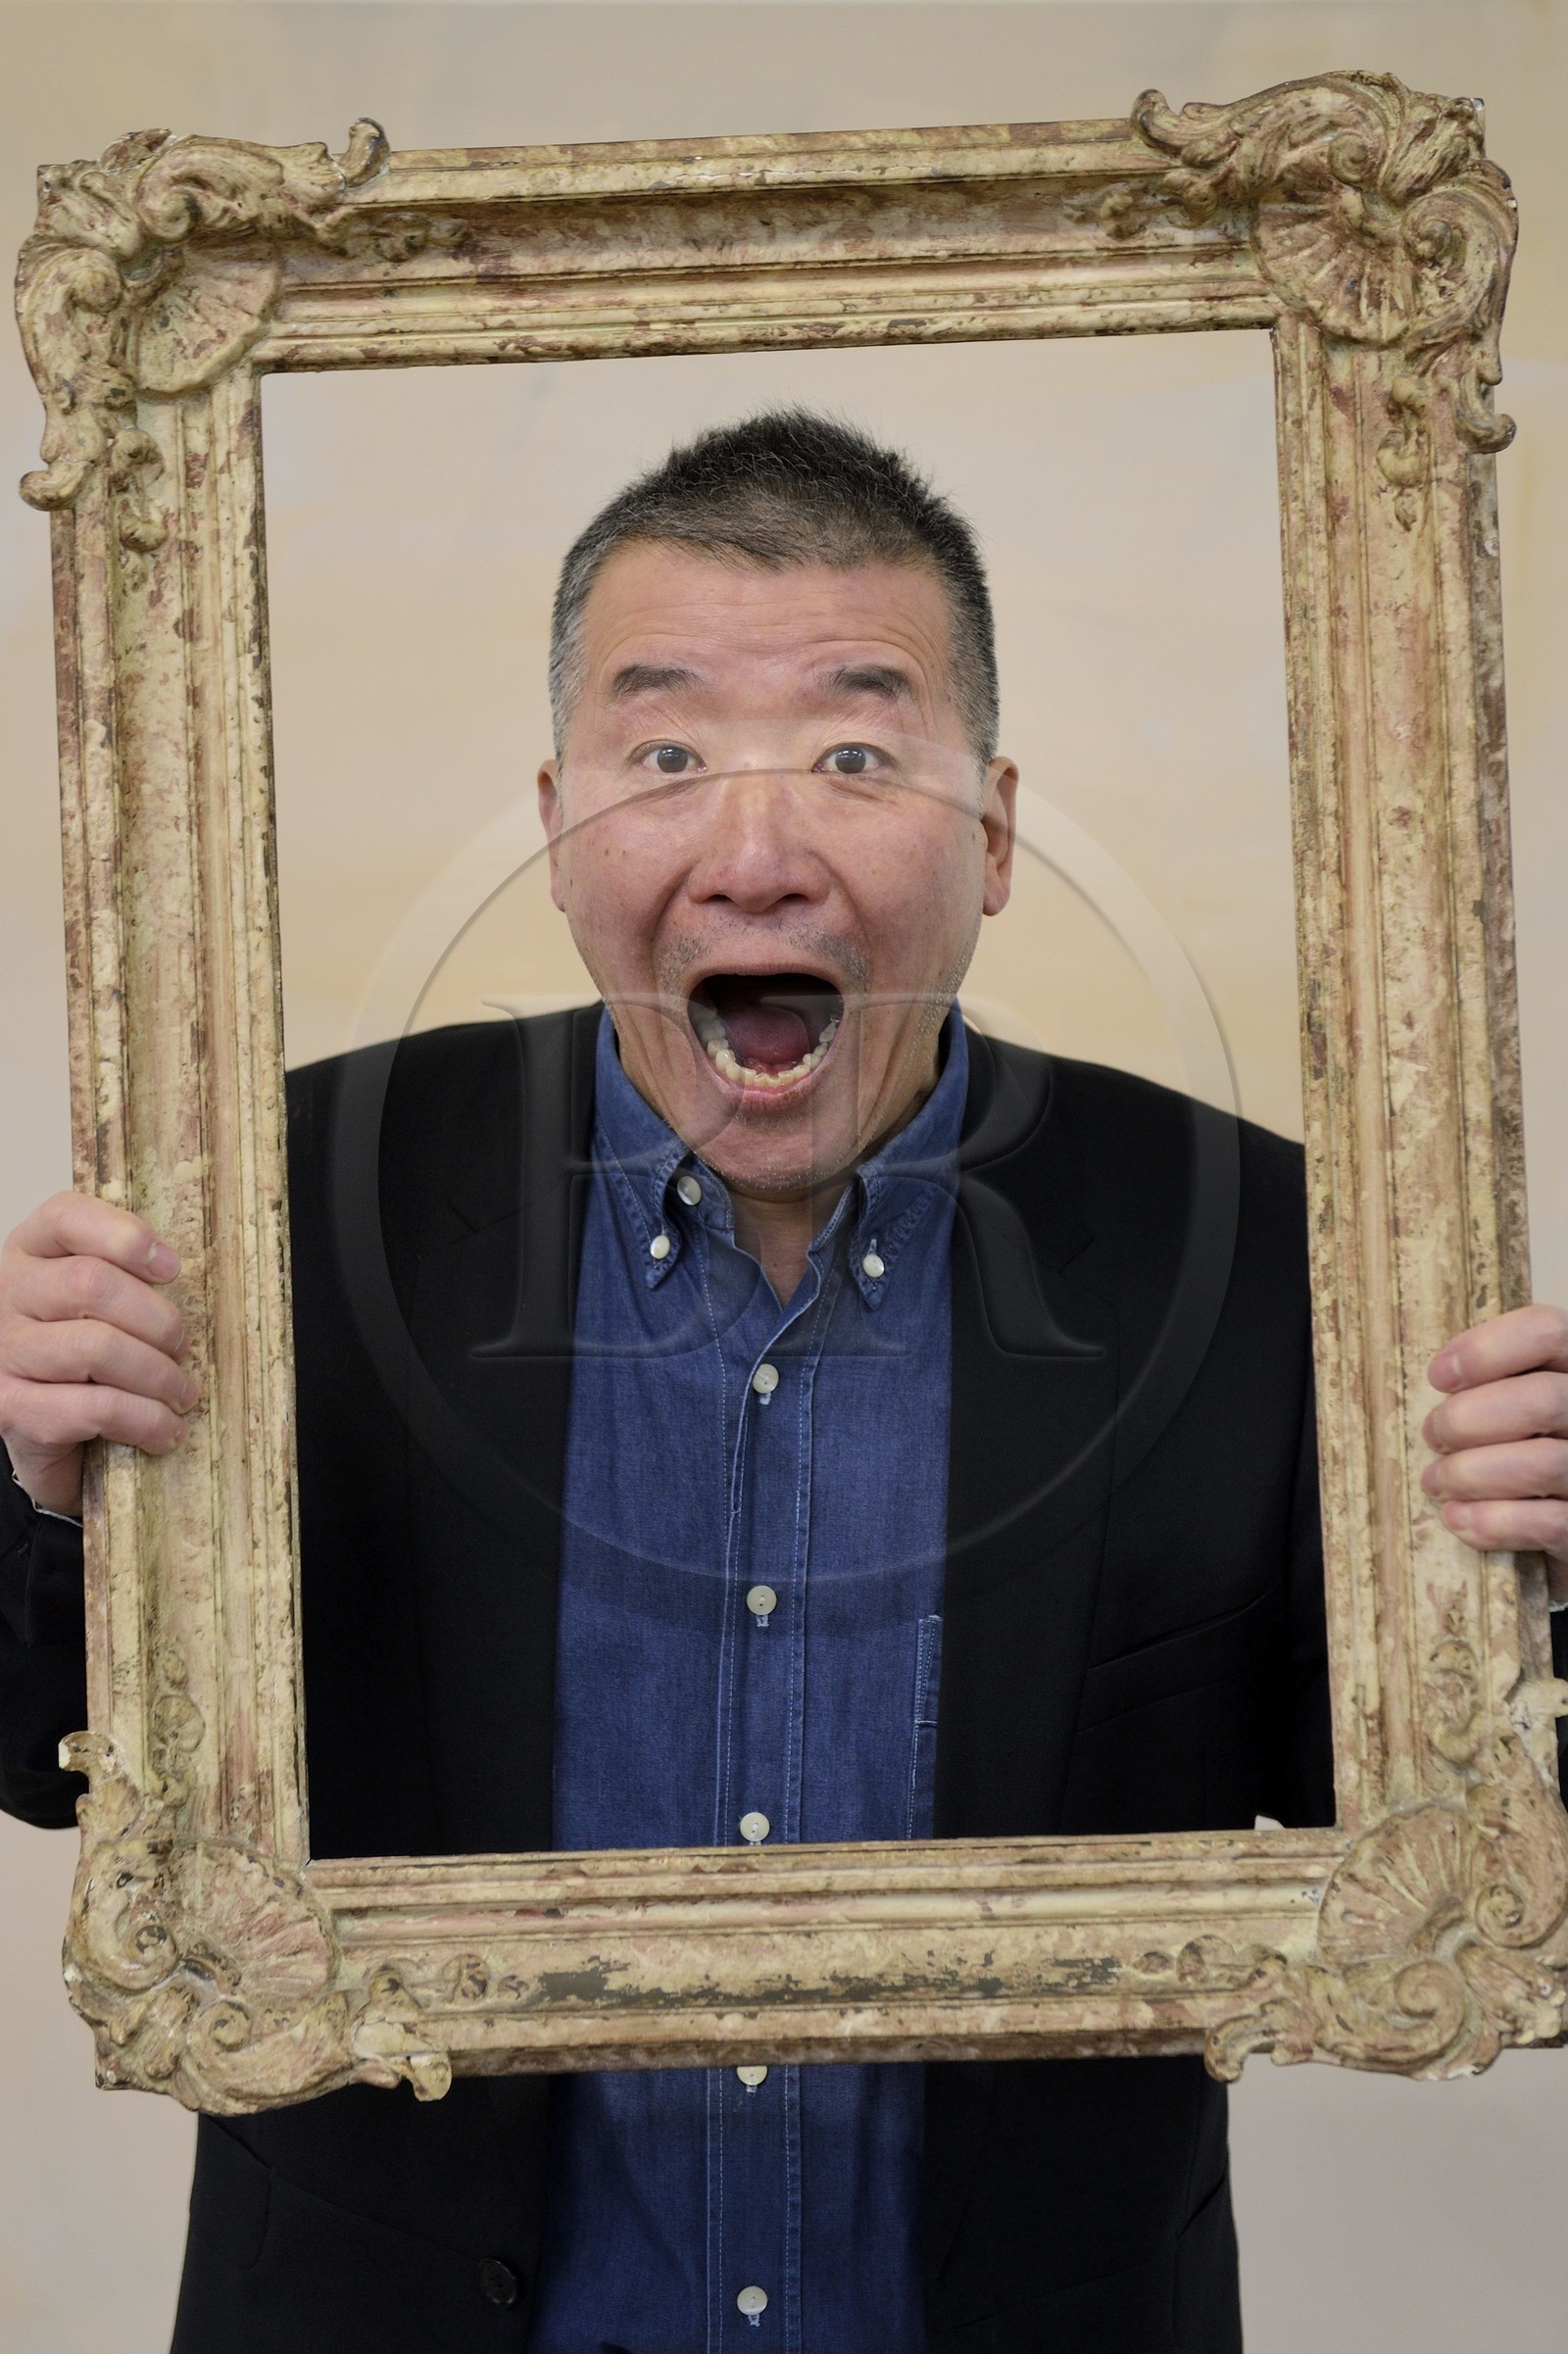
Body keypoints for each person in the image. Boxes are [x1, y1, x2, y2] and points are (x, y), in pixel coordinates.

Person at [2, 412, 1566, 2354]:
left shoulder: (1272, 1262)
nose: (754, 848)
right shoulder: (267, 1213)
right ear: (561, 825)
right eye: (664, 754)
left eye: (852, 750)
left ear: (990, 832)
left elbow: (1461, 1842)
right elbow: (46, 1758)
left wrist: (1525, 1585)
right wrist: (49, 1492)